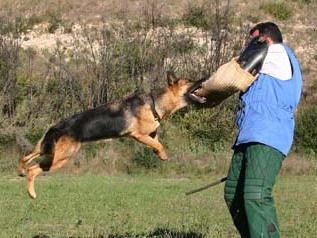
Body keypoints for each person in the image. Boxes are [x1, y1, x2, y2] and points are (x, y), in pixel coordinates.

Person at [224, 22, 303, 238]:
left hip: (268, 135)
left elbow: (232, 74)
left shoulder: (276, 54)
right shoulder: (264, 65)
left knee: (256, 195)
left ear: (264, 39)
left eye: (253, 40)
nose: (248, 45)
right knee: (234, 194)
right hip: (248, 135)